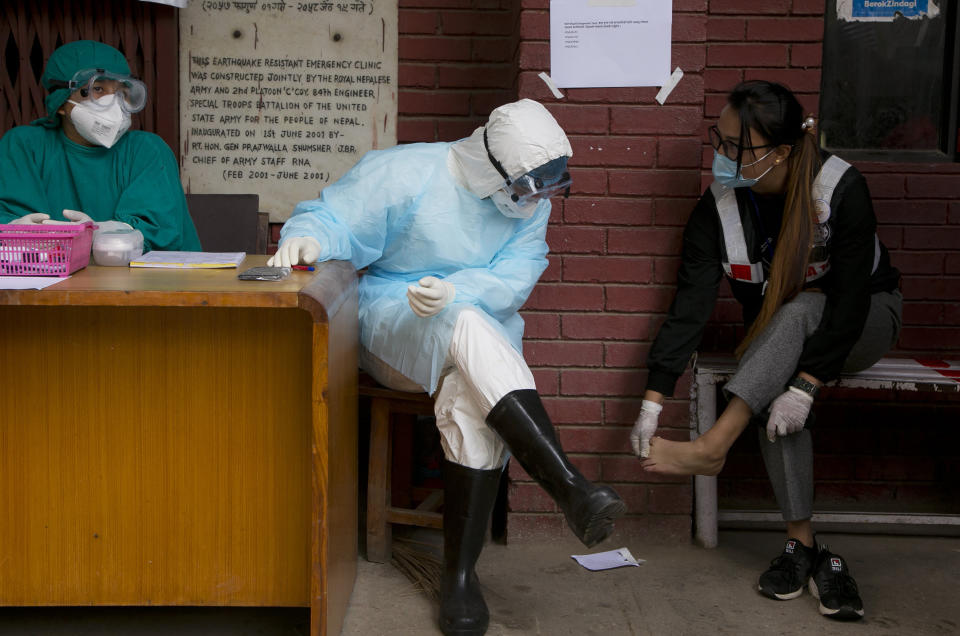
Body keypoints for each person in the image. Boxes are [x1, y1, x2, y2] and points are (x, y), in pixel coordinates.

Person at [269, 98, 626, 636]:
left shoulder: (531, 201)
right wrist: (309, 236)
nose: (539, 200)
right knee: (468, 327)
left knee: (470, 392)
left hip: (479, 334)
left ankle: (460, 577)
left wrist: (459, 290)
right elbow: (333, 215)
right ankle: (569, 487)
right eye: (528, 187)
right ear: (492, 169)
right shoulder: (405, 172)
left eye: (550, 187)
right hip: (394, 316)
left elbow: (519, 271)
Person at [630, 81, 902, 621]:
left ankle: (714, 445)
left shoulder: (840, 188)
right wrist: (653, 401)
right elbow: (690, 306)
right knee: (780, 352)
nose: (721, 155)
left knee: (799, 313)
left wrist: (808, 385)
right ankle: (803, 546)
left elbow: (846, 305)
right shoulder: (718, 210)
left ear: (779, 152)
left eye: (736, 146)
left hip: (866, 322)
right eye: (720, 140)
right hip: (782, 343)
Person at [0, 40, 201, 251]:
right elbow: (8, 213)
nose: (113, 103)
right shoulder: (25, 146)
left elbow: (160, 232)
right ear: (61, 103)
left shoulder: (147, 150)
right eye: (97, 89)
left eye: (121, 92)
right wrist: (13, 228)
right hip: (52, 279)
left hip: (143, 282)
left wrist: (101, 234)